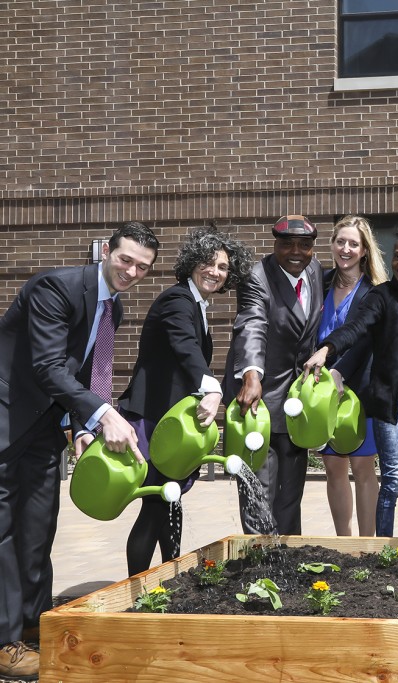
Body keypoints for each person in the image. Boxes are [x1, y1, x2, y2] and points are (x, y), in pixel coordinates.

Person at [0, 222, 159, 680]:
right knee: (4, 533)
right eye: (125, 259)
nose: (132, 272)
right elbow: (48, 366)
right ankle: (4, 641)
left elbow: (85, 371)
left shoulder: (114, 308)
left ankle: (34, 623)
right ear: (106, 251)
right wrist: (103, 415)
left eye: (142, 267)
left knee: (38, 526)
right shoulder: (55, 288)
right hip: (6, 417)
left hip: (44, 426)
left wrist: (79, 426)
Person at [119, 227, 253, 575]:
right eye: (208, 263)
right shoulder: (177, 301)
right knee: (155, 505)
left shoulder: (196, 303)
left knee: (169, 501)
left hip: (170, 421)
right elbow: (185, 347)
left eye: (223, 267)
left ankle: (171, 575)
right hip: (153, 419)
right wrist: (212, 388)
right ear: (192, 263)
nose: (215, 271)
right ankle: (136, 591)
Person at [304, 215, 398, 538]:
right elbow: (357, 329)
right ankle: (379, 550)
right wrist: (327, 350)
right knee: (392, 479)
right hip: (388, 399)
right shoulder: (382, 296)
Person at [223, 215, 324, 536]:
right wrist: (251, 376)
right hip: (260, 401)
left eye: (304, 245)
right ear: (274, 244)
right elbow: (252, 325)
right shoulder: (257, 277)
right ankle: (259, 560)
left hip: (297, 403)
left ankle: (289, 557)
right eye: (287, 244)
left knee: (291, 495)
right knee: (259, 491)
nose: (295, 251)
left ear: (312, 248)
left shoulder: (315, 270)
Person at [316, 215, 388, 536]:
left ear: (364, 251)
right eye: (340, 241)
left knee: (362, 467)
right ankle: (344, 545)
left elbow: (368, 341)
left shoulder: (375, 292)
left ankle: (367, 545)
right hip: (321, 392)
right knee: (333, 467)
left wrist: (340, 371)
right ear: (332, 244)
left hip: (360, 388)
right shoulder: (319, 284)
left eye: (353, 244)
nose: (346, 249)